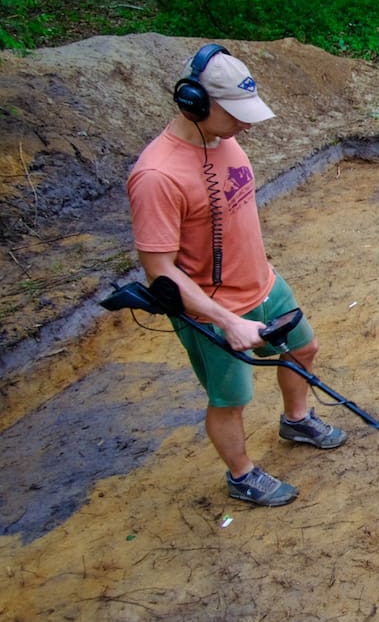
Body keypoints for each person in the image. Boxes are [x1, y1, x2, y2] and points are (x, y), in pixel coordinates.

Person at [126, 43, 346, 507]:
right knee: (231, 398)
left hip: (264, 283)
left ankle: (296, 419)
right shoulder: (157, 176)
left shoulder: (222, 140)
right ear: (194, 103)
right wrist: (227, 321)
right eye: (235, 113)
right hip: (213, 309)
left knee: (303, 348)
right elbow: (160, 274)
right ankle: (242, 474)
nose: (246, 123)